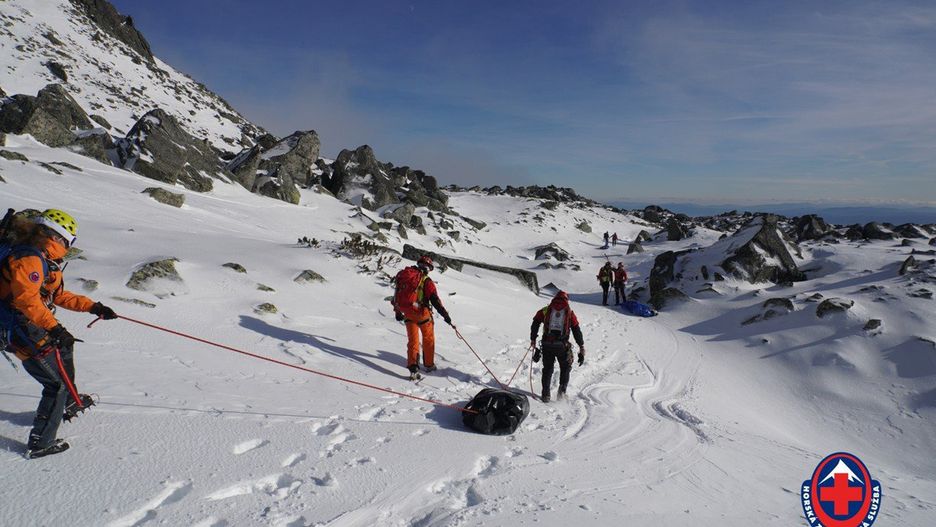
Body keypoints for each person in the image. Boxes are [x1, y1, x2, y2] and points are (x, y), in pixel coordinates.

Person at [0, 209, 118, 459]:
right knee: (55, 384)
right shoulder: (29, 259)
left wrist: (93, 307)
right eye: (67, 241)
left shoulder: (42, 258)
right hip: (17, 325)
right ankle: (40, 443)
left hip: (26, 321)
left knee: (64, 348)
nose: (67, 247)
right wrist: (55, 328)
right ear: (55, 236)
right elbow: (26, 301)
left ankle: (68, 401)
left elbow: (57, 295)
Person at [391, 255, 452, 380]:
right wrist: (446, 316)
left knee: (413, 341)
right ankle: (429, 365)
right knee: (428, 339)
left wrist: (397, 312)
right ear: (428, 268)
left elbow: (396, 296)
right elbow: (435, 300)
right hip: (423, 315)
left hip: (408, 313)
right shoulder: (426, 281)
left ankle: (413, 368)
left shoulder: (404, 277)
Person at [530, 291, 584, 403]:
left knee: (548, 369)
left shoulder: (546, 309)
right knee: (565, 367)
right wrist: (581, 345)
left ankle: (545, 394)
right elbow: (576, 329)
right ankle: (562, 394)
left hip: (546, 344)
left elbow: (536, 321)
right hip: (562, 345)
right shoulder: (569, 312)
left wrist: (533, 339)